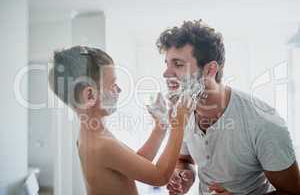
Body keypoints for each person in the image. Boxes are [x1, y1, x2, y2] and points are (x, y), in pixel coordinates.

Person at [157, 20, 300, 195]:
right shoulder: (182, 111)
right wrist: (184, 173)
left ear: (210, 70)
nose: (166, 74)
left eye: (178, 64)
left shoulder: (263, 120)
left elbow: (293, 191)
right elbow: (184, 158)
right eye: (167, 64)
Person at [48, 46, 192, 195]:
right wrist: (179, 124)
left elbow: (135, 162)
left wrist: (160, 127)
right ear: (90, 95)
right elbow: (160, 176)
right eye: (113, 85)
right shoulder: (101, 145)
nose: (119, 90)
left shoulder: (94, 135)